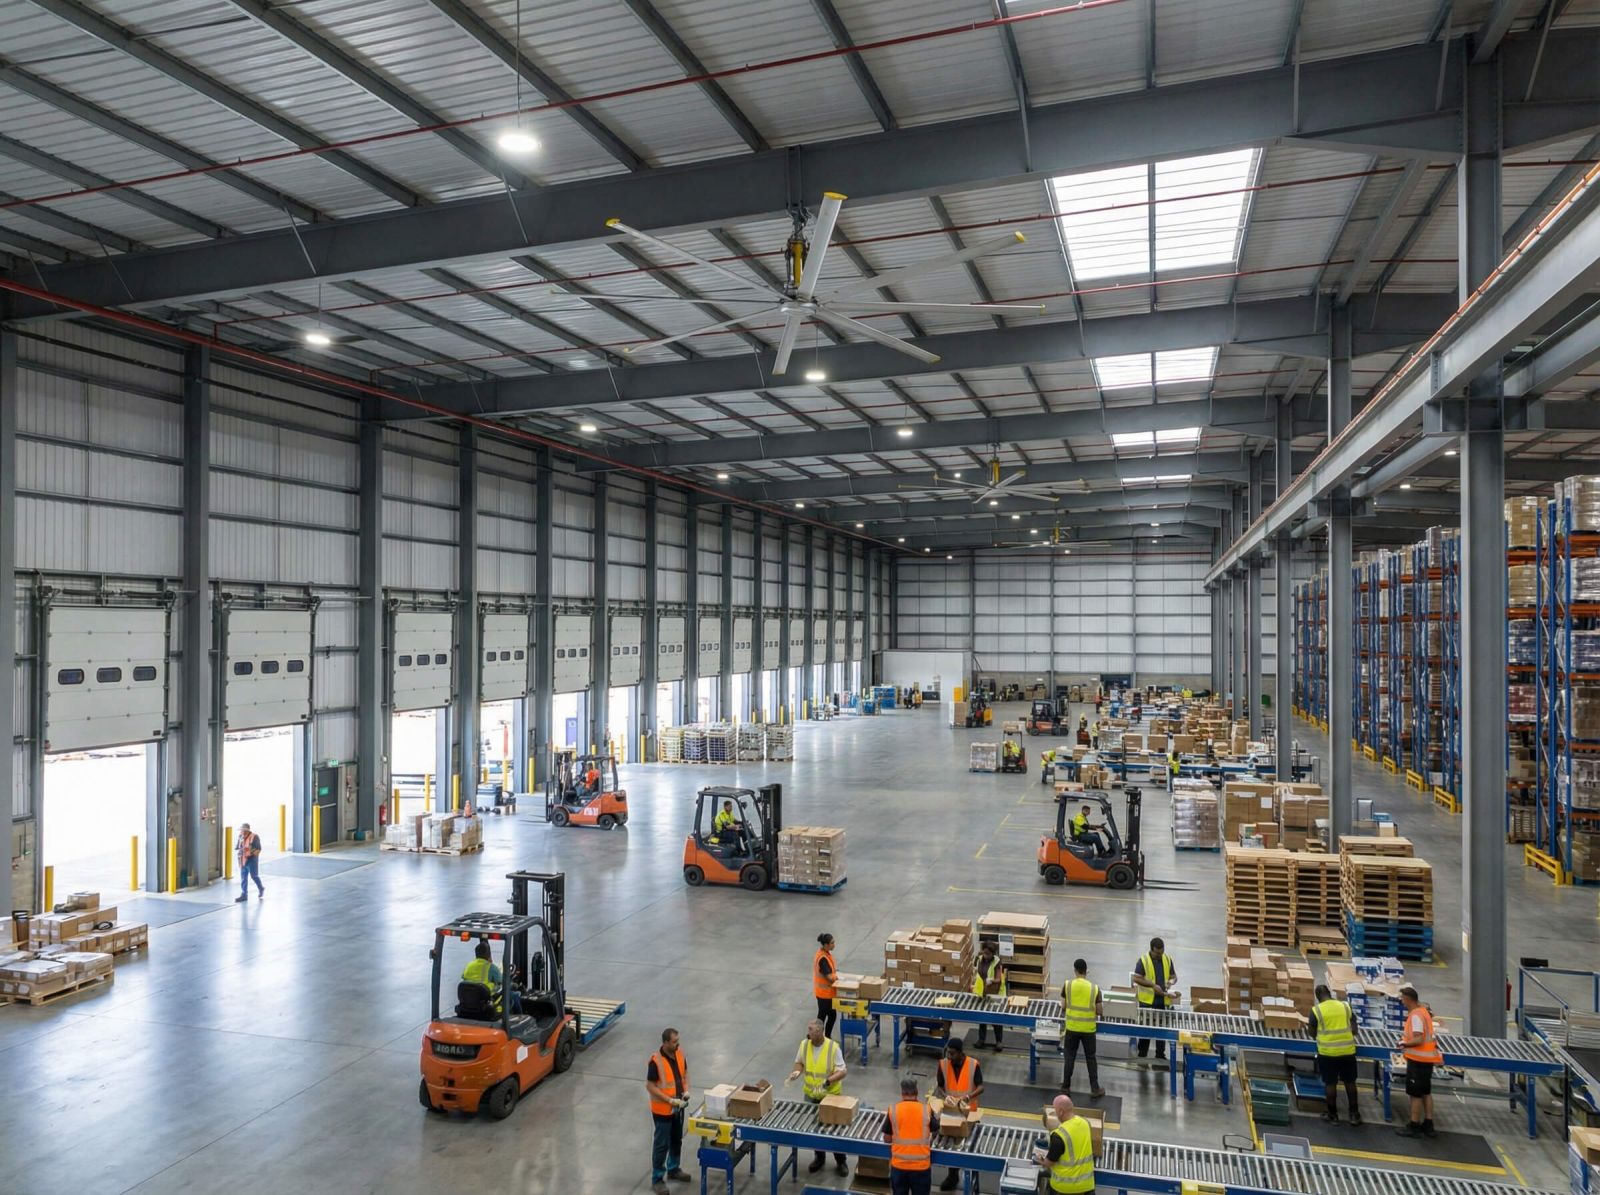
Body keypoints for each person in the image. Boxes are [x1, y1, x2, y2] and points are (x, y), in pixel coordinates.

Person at [788, 1019, 849, 1175]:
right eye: (808, 1029)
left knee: (834, 1130)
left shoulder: (833, 1048)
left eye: (812, 1030)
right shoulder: (804, 1045)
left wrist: (828, 1081)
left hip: (830, 1096)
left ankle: (841, 1161)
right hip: (810, 1095)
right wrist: (796, 1072)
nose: (808, 1033)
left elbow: (842, 1071)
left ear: (820, 1032)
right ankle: (819, 1158)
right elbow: (799, 1062)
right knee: (815, 1129)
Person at [931, 1039, 983, 1191]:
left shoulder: (973, 1064)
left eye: (952, 1053)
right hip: (950, 1112)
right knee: (952, 1146)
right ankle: (953, 1175)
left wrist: (968, 1097)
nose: (949, 1056)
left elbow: (981, 1086)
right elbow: (940, 1086)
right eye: (948, 1052)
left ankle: (974, 1182)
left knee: (970, 1148)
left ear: (960, 1053)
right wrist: (945, 1095)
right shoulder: (943, 1064)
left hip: (969, 1113)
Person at [647, 1027, 692, 1193]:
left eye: (678, 1040)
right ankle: (657, 1178)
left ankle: (673, 1169)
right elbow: (650, 1086)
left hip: (678, 1107)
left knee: (676, 1139)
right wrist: (669, 1100)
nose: (677, 1044)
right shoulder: (655, 1061)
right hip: (663, 1110)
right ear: (665, 1043)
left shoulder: (679, 1053)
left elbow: (684, 1074)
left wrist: (685, 1090)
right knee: (661, 1144)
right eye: (674, 1042)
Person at [1311, 983, 1360, 1125]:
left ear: (1318, 997)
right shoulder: (1345, 1006)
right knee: (1350, 1083)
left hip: (1327, 1053)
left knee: (1330, 1083)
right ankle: (1354, 1115)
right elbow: (1354, 1029)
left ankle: (1333, 1115)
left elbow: (1312, 1032)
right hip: (1347, 1051)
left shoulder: (1316, 1010)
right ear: (1330, 994)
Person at [1396, 985, 1442, 1138]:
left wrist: (1403, 1044)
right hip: (1427, 1059)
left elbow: (1419, 1038)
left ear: (1408, 999)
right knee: (1425, 1092)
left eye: (1402, 999)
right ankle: (1428, 1124)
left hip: (1418, 1060)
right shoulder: (1423, 1012)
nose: (1401, 1002)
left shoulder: (1415, 1015)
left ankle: (1414, 1125)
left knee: (1415, 1094)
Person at [882, 1076, 936, 1195]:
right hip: (921, 1167)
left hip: (899, 1167)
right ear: (917, 1092)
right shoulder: (926, 1109)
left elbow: (887, 1139)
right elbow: (936, 1130)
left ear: (902, 1093)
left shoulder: (893, 1110)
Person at [1032, 1094, 1095, 1195]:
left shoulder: (1059, 1135)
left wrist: (1039, 1159)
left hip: (1064, 1189)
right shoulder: (1085, 1123)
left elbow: (1049, 1163)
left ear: (1061, 1111)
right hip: (1086, 1186)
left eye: (1056, 1112)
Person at [1061, 958, 1105, 1098]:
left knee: (1070, 1057)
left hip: (1072, 1028)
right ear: (1086, 972)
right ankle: (1095, 1088)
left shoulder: (1067, 985)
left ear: (1075, 970)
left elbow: (1063, 1006)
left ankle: (1065, 1087)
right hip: (1088, 1030)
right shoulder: (1094, 988)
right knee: (1091, 1058)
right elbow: (1099, 1011)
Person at [1130, 937, 1177, 1060]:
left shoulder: (1167, 959)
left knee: (1161, 1030)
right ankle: (1142, 1054)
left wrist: (1171, 981)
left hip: (1162, 1001)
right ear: (1151, 950)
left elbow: (1174, 976)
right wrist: (1152, 985)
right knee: (1146, 1029)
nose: (1160, 955)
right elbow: (1136, 978)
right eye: (1157, 953)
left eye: (1161, 952)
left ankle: (1160, 1055)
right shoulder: (1143, 961)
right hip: (1147, 1002)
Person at [461, 940, 522, 1016]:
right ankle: (520, 1017)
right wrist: (512, 984)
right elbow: (501, 980)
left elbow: (464, 977)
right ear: (488, 955)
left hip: (469, 1000)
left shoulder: (469, 965)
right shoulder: (490, 967)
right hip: (488, 999)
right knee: (514, 995)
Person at [972, 941, 1007, 1050]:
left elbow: (999, 979)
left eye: (988, 954)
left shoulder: (997, 962)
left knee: (995, 1019)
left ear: (993, 954)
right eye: (985, 953)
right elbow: (975, 971)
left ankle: (999, 1041)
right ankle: (981, 1040)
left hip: (995, 993)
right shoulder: (979, 959)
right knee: (982, 1017)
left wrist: (991, 980)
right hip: (982, 992)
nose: (986, 956)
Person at [814, 932, 839, 1038]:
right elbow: (829, 977)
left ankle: (825, 1036)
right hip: (824, 994)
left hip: (827, 994)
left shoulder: (824, 953)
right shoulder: (823, 959)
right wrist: (838, 978)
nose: (834, 944)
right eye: (832, 943)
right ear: (826, 945)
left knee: (830, 1016)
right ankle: (814, 1037)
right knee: (822, 1018)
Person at [234, 824, 264, 902]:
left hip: (252, 860)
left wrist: (249, 850)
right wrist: (240, 848)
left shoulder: (254, 837)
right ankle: (244, 895)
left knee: (254, 876)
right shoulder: (240, 836)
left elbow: (258, 850)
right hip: (243, 859)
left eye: (243, 830)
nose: (241, 832)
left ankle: (261, 888)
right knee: (243, 878)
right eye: (241, 830)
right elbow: (237, 846)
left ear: (247, 830)